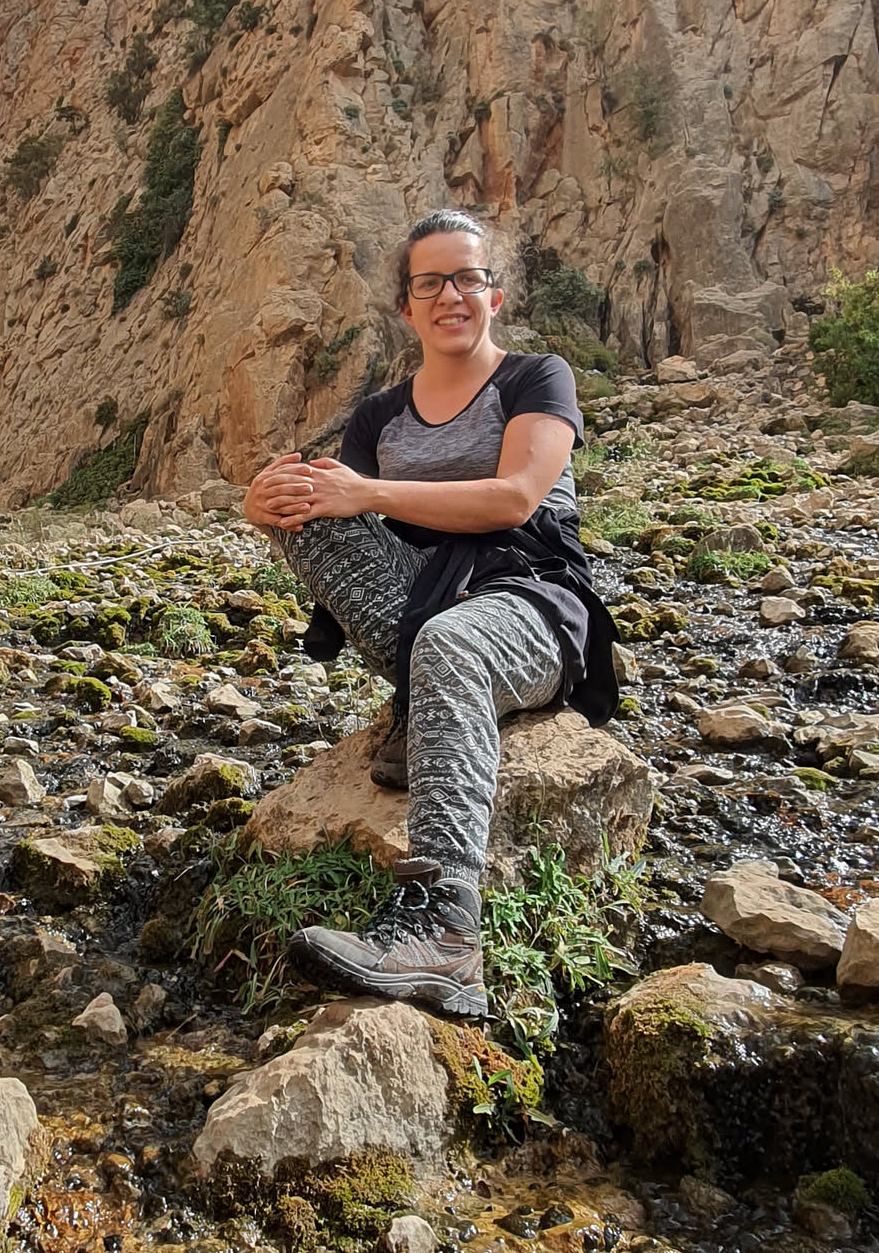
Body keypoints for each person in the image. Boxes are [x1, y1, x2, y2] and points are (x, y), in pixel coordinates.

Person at [243, 206, 617, 1020]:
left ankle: (446, 929)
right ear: (405, 306)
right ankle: (433, 710)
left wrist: (370, 491)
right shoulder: (379, 415)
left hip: (529, 601)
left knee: (451, 644)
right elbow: (340, 508)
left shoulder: (537, 378)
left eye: (468, 278)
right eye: (430, 283)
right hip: (419, 608)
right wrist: (265, 503)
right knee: (311, 509)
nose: (451, 295)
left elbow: (517, 498)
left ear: (496, 294)